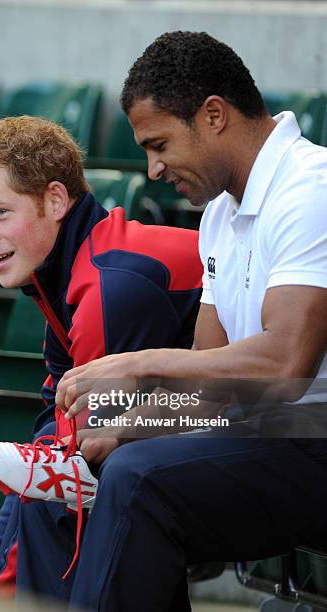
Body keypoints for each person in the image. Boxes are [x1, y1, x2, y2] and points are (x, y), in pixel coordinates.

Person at [47, 31, 327, 611]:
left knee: (141, 482)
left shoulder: (312, 189)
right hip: (278, 435)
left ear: (214, 116)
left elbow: (285, 366)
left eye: (159, 144)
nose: (151, 169)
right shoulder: (220, 216)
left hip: (313, 436)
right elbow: (207, 388)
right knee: (117, 464)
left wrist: (137, 366)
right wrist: (124, 427)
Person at [0, 114, 203, 599]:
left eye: (0, 212)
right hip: (201, 431)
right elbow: (54, 437)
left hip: (282, 431)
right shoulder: (65, 275)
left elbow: (74, 464)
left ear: (56, 200)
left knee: (62, 495)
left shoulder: (108, 288)